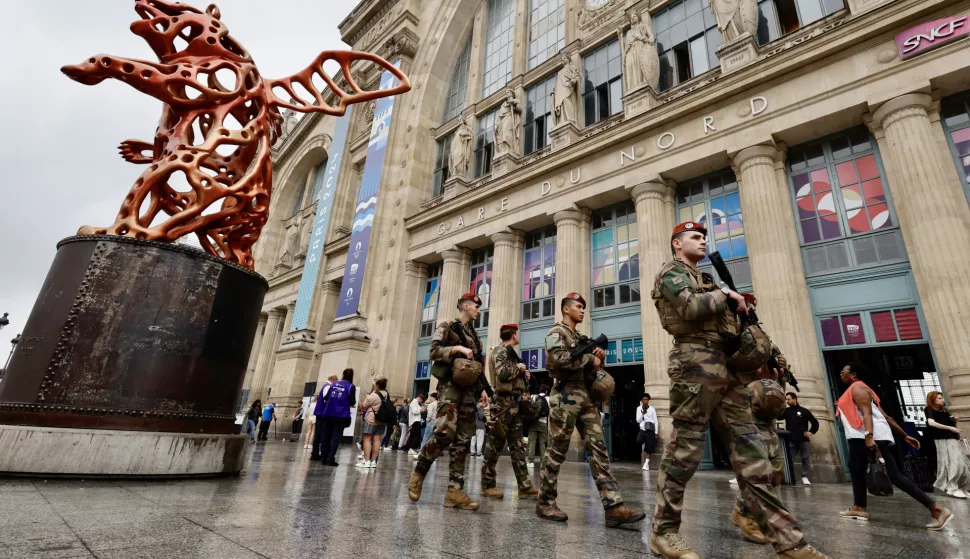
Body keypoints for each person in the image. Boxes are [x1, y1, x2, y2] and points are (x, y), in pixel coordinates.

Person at [651, 221, 829, 559]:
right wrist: (726, 296)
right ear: (677, 244)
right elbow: (690, 308)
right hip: (694, 363)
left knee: (753, 454)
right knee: (685, 452)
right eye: (694, 237)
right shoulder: (671, 273)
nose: (702, 241)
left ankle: (790, 541)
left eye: (704, 236)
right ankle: (664, 532)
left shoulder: (707, 280)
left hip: (728, 368)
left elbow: (727, 324)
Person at [535, 292, 645, 527]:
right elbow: (559, 360)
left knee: (598, 450)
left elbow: (590, 365)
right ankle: (545, 502)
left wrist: (598, 357)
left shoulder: (580, 337)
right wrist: (588, 359)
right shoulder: (557, 333)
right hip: (565, 395)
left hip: (586, 396)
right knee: (556, 450)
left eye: (584, 307)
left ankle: (613, 506)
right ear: (566, 309)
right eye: (578, 306)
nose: (582, 310)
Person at [836, 363, 952, 529]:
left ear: (853, 375)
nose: (841, 374)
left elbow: (867, 414)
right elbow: (887, 417)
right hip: (862, 436)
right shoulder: (864, 389)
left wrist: (869, 436)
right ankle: (859, 507)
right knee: (855, 468)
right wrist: (904, 435)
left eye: (843, 372)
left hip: (866, 436)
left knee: (894, 475)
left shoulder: (857, 388)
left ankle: (935, 508)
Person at [408, 293, 485, 511]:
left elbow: (477, 363)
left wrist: (484, 390)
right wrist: (457, 349)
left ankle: (454, 490)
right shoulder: (448, 326)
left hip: (469, 392)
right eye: (476, 306)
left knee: (462, 440)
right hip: (450, 388)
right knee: (444, 432)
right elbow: (433, 351)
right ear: (466, 306)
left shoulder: (475, 335)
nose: (478, 310)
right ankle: (419, 473)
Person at [480, 323, 539, 500]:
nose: (519, 336)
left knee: (518, 447)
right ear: (513, 335)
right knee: (494, 446)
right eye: (518, 333)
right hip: (503, 405)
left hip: (514, 405)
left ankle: (525, 487)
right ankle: (487, 485)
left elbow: (512, 377)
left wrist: (524, 376)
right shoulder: (500, 351)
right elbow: (503, 374)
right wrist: (519, 369)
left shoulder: (511, 354)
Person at [925, 391, 970, 498]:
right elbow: (931, 423)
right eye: (939, 398)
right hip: (943, 439)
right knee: (953, 462)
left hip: (952, 438)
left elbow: (946, 421)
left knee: (962, 463)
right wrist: (950, 427)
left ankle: (961, 487)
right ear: (933, 400)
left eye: (942, 398)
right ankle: (952, 487)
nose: (942, 400)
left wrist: (953, 420)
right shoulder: (929, 409)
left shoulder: (944, 410)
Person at [317, 369, 357, 466]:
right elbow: (352, 402)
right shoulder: (351, 386)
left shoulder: (334, 384)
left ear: (343, 374)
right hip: (341, 415)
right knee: (336, 437)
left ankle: (323, 458)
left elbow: (326, 397)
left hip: (328, 413)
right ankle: (330, 459)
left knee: (326, 436)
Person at [782, 392, 819, 485]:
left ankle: (805, 476)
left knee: (805, 458)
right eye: (786, 399)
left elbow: (815, 422)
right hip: (791, 439)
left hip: (804, 439)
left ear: (795, 399)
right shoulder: (786, 411)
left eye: (789, 399)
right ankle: (790, 477)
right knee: (790, 459)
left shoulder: (804, 411)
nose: (787, 401)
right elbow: (778, 417)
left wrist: (811, 432)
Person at [358, 376, 390, 468]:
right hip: (381, 420)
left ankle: (367, 461)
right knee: (377, 441)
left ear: (377, 385)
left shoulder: (373, 395)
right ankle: (374, 462)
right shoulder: (386, 394)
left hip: (371, 420)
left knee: (367, 440)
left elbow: (363, 406)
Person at [310, 374, 339, 460]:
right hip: (322, 413)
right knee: (321, 433)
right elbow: (327, 399)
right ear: (333, 379)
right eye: (336, 380)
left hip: (320, 412)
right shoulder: (328, 386)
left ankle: (315, 453)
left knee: (319, 433)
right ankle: (318, 453)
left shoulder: (326, 386)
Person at [528, 385, 550, 468]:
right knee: (542, 443)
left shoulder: (533, 396)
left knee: (532, 442)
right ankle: (543, 462)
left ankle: (530, 462)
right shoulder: (548, 398)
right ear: (546, 391)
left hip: (533, 422)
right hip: (543, 422)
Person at [636, 393, 658, 471]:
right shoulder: (639, 408)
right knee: (638, 441)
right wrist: (642, 414)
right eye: (644, 399)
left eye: (647, 399)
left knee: (649, 448)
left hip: (650, 430)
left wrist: (656, 432)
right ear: (641, 400)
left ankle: (646, 464)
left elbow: (655, 421)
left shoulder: (652, 409)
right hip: (642, 429)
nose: (645, 401)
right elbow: (638, 420)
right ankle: (646, 444)